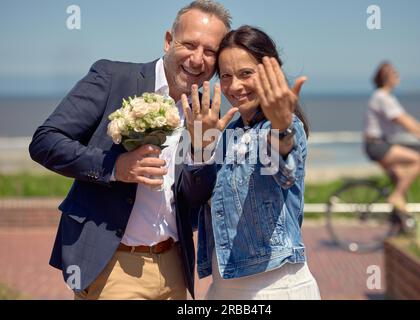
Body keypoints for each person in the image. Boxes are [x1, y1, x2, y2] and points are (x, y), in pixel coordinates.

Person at [28, 0, 232, 300]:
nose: (197, 59)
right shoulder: (112, 77)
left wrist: (201, 153)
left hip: (175, 268)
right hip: (114, 267)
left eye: (210, 51)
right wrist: (115, 167)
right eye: (189, 44)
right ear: (167, 41)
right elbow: (45, 141)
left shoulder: (207, 114)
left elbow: (195, 198)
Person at [181, 26, 321, 300]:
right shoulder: (225, 133)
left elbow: (283, 172)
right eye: (226, 76)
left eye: (246, 74)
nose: (235, 86)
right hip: (223, 287)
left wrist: (281, 127)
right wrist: (199, 146)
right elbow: (193, 197)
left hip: (276, 288)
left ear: (272, 73)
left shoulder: (284, 126)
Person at [364, 62, 420, 216]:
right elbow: (404, 121)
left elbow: (407, 119)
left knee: (400, 178)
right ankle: (396, 197)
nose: (398, 77)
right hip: (378, 146)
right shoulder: (382, 97)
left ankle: (399, 221)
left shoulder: (384, 97)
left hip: (379, 144)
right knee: (418, 159)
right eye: (396, 74)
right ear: (387, 77)